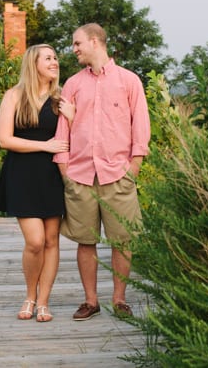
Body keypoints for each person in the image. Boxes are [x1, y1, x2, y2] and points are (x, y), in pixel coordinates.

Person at [53, 23, 151, 320]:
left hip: (118, 175)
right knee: (86, 241)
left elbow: (140, 129)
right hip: (80, 176)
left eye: (77, 43)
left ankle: (119, 300)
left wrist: (133, 168)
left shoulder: (129, 81)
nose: (74, 48)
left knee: (123, 241)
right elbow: (62, 132)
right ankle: (91, 301)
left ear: (95, 42)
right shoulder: (72, 84)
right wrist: (65, 172)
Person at [0, 44, 74, 323]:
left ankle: (43, 302)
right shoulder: (14, 95)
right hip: (22, 174)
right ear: (33, 63)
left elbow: (74, 137)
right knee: (35, 241)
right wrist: (45, 145)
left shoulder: (61, 99)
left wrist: (73, 118)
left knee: (52, 241)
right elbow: (5, 140)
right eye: (48, 58)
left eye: (56, 58)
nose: (55, 62)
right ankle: (29, 294)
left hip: (53, 175)